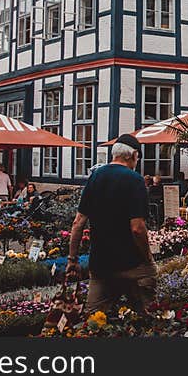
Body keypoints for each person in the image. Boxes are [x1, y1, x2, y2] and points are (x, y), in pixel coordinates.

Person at [67, 133, 156, 315]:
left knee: (94, 318)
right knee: (145, 314)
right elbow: (137, 228)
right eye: (137, 157)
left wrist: (72, 259)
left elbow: (78, 223)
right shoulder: (135, 180)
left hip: (101, 264)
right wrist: (148, 257)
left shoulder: (96, 177)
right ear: (132, 155)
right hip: (132, 263)